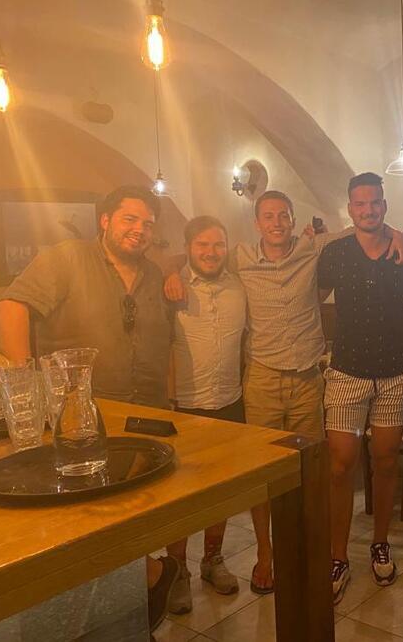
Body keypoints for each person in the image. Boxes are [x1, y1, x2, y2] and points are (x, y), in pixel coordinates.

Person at [164, 190, 403, 595]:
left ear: (294, 220)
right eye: (268, 216)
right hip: (261, 379)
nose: (276, 223)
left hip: (308, 380)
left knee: (310, 472)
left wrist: (397, 233)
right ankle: (266, 552)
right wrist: (173, 270)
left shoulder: (314, 248)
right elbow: (198, 254)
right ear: (256, 223)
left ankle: (311, 547)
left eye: (283, 215)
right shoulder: (239, 257)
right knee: (263, 472)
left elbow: (364, 226)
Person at [0, 185, 179, 632]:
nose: (140, 230)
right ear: (105, 220)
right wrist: (23, 381)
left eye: (148, 224)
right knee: (89, 523)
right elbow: (11, 305)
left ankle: (136, 604)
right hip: (82, 423)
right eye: (130, 219)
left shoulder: (154, 274)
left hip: (146, 415)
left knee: (135, 513)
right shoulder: (68, 257)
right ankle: (147, 583)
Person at [317, 173, 403, 604]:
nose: (368, 210)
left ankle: (380, 541)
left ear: (384, 205)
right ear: (350, 209)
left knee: (386, 462)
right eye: (360, 204)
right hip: (348, 373)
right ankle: (338, 555)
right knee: (341, 466)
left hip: (395, 372)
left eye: (375, 202)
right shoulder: (335, 252)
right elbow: (311, 295)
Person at [166, 215, 246, 614]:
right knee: (180, 496)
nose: (211, 252)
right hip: (184, 405)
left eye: (218, 244)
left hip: (230, 401)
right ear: (188, 248)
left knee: (221, 490)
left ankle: (212, 559)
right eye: (202, 244)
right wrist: (169, 270)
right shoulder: (171, 288)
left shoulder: (239, 286)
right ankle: (176, 570)